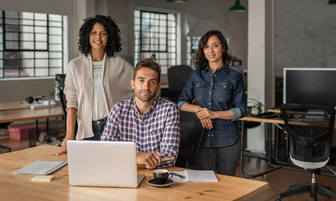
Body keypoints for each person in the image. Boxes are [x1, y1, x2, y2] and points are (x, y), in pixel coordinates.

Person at [59, 15, 134, 154]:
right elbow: (72, 102)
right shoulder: (75, 66)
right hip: (87, 129)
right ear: (87, 35)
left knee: (113, 168)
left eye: (103, 33)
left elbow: (139, 88)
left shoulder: (121, 64)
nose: (98, 37)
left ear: (109, 37)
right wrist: (69, 134)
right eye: (94, 32)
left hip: (114, 128)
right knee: (87, 170)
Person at [177, 30, 247, 176]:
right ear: (202, 50)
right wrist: (200, 110)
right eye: (206, 47)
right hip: (201, 139)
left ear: (223, 47)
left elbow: (240, 110)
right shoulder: (196, 76)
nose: (211, 51)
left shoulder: (235, 77)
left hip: (228, 139)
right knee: (205, 185)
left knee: (227, 186)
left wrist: (214, 114)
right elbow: (181, 103)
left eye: (215, 45)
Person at [101, 59, 180, 169]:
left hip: (156, 177)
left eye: (152, 81)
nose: (146, 87)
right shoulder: (118, 110)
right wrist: (136, 158)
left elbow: (169, 156)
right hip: (123, 175)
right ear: (133, 84)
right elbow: (106, 150)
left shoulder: (169, 110)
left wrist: (127, 159)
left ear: (158, 86)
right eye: (141, 80)